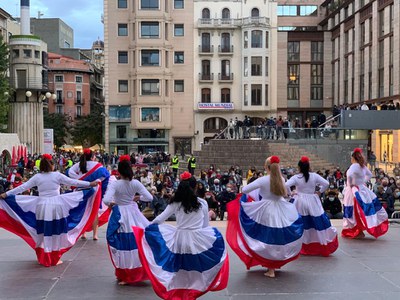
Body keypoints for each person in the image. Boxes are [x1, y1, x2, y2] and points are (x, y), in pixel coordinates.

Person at [133, 175, 229, 300]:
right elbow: (205, 225)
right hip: (197, 239)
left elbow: (160, 219)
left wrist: (147, 228)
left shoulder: (176, 202)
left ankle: (179, 293)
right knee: (194, 268)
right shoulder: (202, 203)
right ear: (195, 188)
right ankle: (192, 292)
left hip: (179, 238)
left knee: (179, 268)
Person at [0, 154, 100, 267]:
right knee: (56, 231)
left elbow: (22, 187)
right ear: (52, 165)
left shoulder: (37, 177)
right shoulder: (57, 176)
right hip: (56, 206)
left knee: (43, 231)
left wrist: (6, 194)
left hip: (42, 206)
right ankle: (54, 257)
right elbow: (73, 182)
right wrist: (90, 184)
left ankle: (44, 254)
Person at [227, 156, 303, 278]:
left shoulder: (263, 180)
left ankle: (271, 267)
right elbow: (287, 192)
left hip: (266, 209)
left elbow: (245, 189)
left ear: (267, 167)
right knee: (277, 237)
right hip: (281, 208)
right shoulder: (282, 180)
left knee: (266, 238)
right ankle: (273, 264)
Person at [103, 155, 153, 285]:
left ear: (119, 171)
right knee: (136, 243)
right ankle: (135, 272)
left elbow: (106, 200)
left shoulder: (115, 184)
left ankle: (125, 274)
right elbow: (149, 198)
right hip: (133, 214)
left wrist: (113, 203)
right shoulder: (135, 183)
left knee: (123, 245)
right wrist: (136, 198)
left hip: (120, 214)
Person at [285, 156, 338, 256]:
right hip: (312, 200)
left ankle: (301, 245)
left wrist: (290, 193)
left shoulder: (296, 177)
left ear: (299, 167)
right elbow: (326, 183)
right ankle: (317, 243)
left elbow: (286, 185)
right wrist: (319, 191)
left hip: (300, 200)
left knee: (301, 223)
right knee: (315, 222)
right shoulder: (314, 176)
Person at [342, 148, 388, 239]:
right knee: (362, 209)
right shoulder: (362, 166)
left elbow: (350, 176)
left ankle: (356, 230)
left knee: (352, 211)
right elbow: (370, 174)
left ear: (353, 158)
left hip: (353, 190)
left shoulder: (354, 166)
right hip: (362, 189)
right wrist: (362, 181)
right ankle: (360, 229)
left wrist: (352, 185)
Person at [67, 148, 110, 240]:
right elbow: (105, 175)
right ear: (92, 157)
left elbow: (69, 173)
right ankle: (95, 234)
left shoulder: (78, 164)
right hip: (94, 190)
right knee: (94, 211)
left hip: (80, 189)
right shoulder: (98, 165)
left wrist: (79, 179)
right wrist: (96, 180)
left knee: (83, 211)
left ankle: (83, 233)